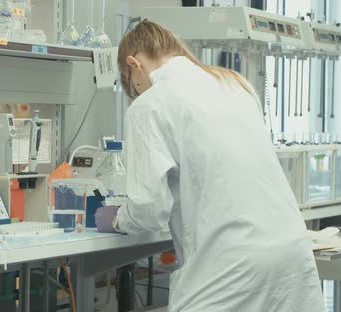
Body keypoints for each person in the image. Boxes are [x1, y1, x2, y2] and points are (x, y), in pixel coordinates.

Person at [95, 20, 325, 311]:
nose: (137, 94)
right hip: (290, 253)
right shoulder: (234, 85)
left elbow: (149, 211)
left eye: (133, 87)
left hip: (232, 264)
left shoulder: (150, 104)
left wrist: (116, 218)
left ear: (133, 64)